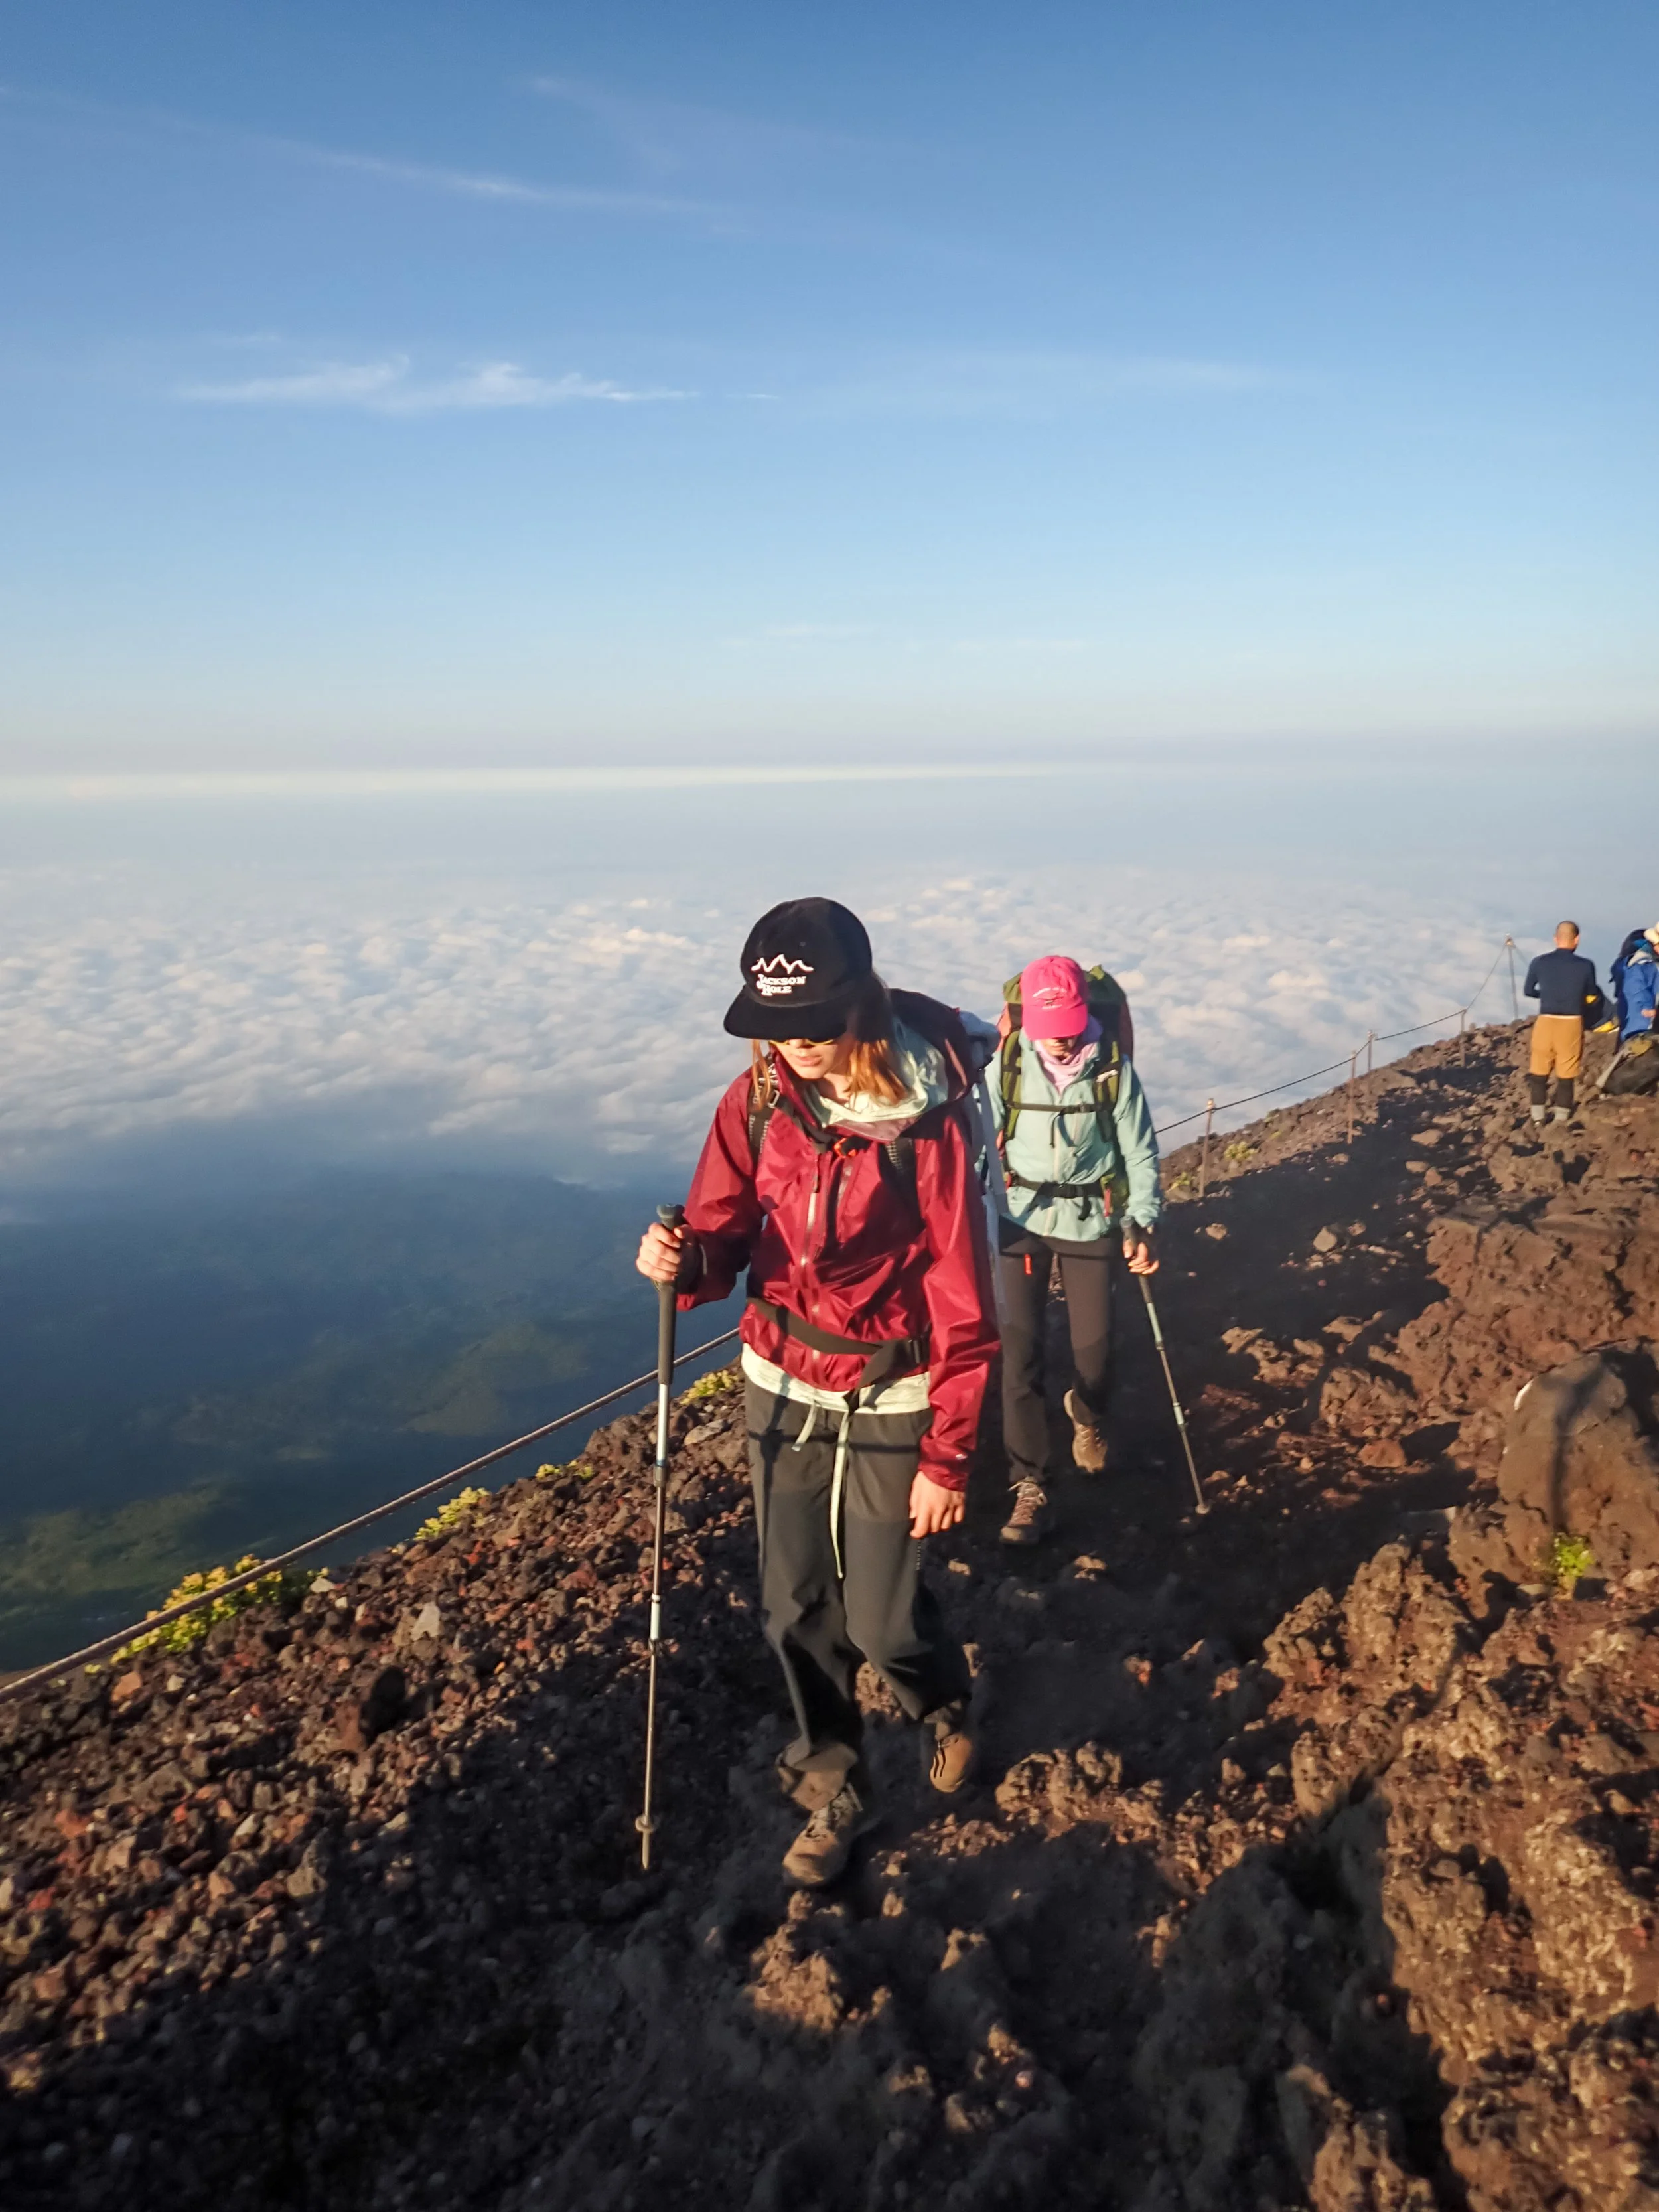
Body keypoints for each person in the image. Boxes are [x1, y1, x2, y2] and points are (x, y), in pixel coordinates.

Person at [636, 898, 997, 1888]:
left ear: (860, 1005)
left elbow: (962, 1293)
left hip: (892, 1386)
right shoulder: (757, 1098)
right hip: (779, 1375)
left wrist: (949, 1455)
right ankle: (834, 1783)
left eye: (811, 1023)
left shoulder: (927, 1120)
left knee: (879, 1618)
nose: (792, 1044)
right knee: (792, 1604)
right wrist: (682, 1261)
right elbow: (723, 1230)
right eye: (774, 1025)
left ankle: (940, 1703)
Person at [990, 954, 1162, 1546]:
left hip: (1092, 1220)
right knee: (1021, 1356)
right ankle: (1028, 1485)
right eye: (1050, 1029)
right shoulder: (1010, 1063)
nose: (1061, 1041)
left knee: (1096, 1355)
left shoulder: (1111, 1067)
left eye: (1068, 1026)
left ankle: (1086, 1415)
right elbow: (978, 1137)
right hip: (1019, 1218)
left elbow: (1139, 1150)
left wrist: (1143, 1220)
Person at [1523, 921, 1604, 1125]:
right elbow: (1592, 994)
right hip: (1571, 1023)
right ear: (1577, 940)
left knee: (1539, 1073)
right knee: (1566, 1074)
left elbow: (1528, 991)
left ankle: (1537, 1119)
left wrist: (1546, 995)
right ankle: (1561, 1120)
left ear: (1555, 939)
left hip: (1545, 1021)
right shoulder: (1586, 966)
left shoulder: (1539, 962)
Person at [1612, 926, 1659, 1042]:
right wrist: (1648, 1009)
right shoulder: (1641, 964)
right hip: (1642, 1026)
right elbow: (1637, 989)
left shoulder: (1644, 962)